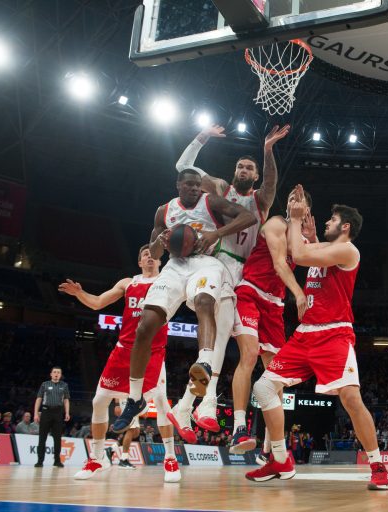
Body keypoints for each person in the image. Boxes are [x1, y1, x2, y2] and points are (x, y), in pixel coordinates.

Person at [246, 186, 388, 490]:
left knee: (350, 398)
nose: (326, 221)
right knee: (263, 387)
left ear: (346, 227)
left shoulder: (349, 250)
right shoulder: (322, 247)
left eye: (332, 219)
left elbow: (298, 255)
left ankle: (377, 465)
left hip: (334, 333)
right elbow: (307, 251)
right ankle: (280, 459)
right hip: (304, 335)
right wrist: (309, 236)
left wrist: (295, 220)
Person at [112, 169, 257, 433]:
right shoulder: (163, 211)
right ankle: (134, 400)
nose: (194, 188)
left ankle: (203, 361)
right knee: (145, 325)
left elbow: (248, 216)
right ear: (178, 185)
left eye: (197, 185)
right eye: (188, 184)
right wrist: (160, 241)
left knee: (204, 301)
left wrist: (216, 233)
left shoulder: (210, 201)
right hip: (174, 266)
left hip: (206, 263)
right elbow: (154, 254)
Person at [171, 124, 289, 435]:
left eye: (250, 168)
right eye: (241, 165)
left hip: (246, 275)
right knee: (219, 337)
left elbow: (272, 180)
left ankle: (185, 406)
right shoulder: (222, 189)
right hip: (219, 262)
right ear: (234, 171)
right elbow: (184, 167)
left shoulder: (261, 201)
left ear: (255, 175)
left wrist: (267, 151)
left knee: (222, 341)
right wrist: (202, 136)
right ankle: (204, 402)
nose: (244, 170)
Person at [60, 245, 180, 482]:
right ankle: (97, 458)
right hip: (124, 351)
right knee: (99, 400)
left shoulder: (168, 280)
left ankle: (170, 459)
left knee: (162, 406)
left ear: (160, 260)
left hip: (153, 352)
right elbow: (97, 303)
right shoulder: (128, 283)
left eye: (152, 254)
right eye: (144, 254)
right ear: (139, 262)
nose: (148, 257)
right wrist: (79, 294)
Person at [230, 187, 316, 456]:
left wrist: (312, 236)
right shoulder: (277, 223)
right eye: (290, 198)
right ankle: (238, 428)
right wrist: (299, 292)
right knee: (249, 354)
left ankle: (271, 446)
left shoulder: (301, 237)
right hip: (250, 292)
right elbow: (280, 263)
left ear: (307, 210)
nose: (292, 202)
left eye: (298, 200)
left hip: (274, 306)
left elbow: (320, 263)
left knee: (275, 376)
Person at [34, 366, 70, 467]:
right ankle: (40, 461)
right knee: (42, 438)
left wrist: (67, 412)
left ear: (60, 375)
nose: (56, 374)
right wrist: (36, 413)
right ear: (51, 374)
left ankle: (57, 461)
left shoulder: (64, 385)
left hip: (58, 413)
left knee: (57, 438)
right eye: (54, 372)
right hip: (46, 412)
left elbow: (66, 400)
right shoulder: (44, 384)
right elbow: (39, 398)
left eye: (58, 372)